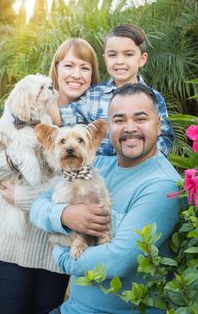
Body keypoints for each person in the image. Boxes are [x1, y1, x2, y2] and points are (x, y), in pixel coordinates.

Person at [0, 38, 109, 314]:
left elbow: (86, 185)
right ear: (56, 69)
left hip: (56, 248)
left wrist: (23, 195)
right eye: (68, 65)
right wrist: (12, 160)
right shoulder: (25, 109)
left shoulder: (90, 123)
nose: (76, 74)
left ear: (93, 76)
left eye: (85, 68)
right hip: (12, 242)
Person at [30, 83, 181, 314]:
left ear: (159, 125)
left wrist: (60, 255)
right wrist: (64, 215)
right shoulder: (98, 164)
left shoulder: (162, 185)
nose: (130, 128)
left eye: (140, 118)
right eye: (119, 120)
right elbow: (38, 207)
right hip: (72, 308)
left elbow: (115, 261)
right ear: (109, 129)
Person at [48, 24, 174, 156]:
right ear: (105, 59)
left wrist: (147, 161)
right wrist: (43, 89)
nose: (119, 61)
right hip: (100, 169)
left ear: (142, 59)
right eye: (112, 55)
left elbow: (165, 137)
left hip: (141, 168)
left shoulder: (154, 98)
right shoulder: (93, 96)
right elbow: (60, 118)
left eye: (128, 54)